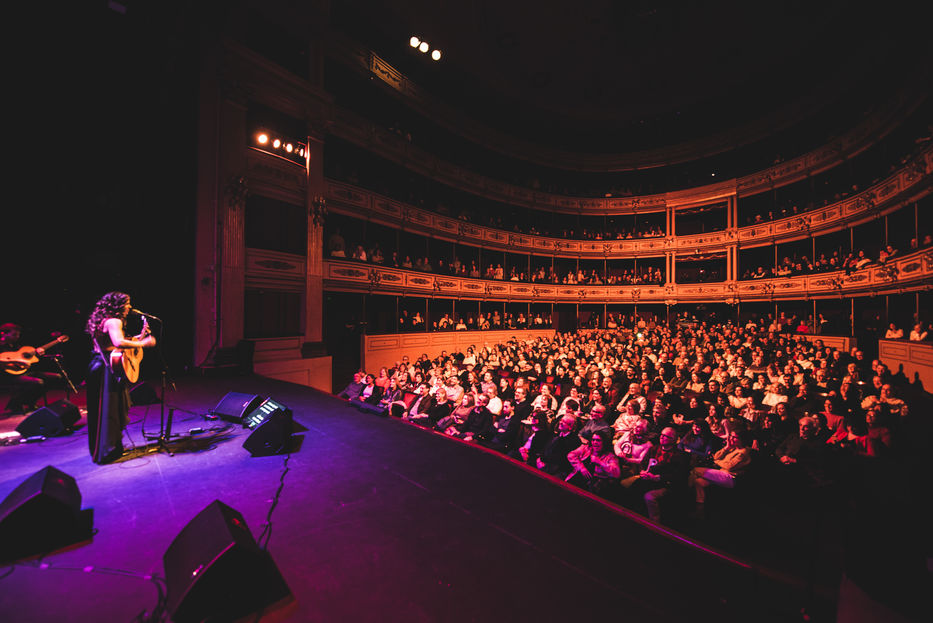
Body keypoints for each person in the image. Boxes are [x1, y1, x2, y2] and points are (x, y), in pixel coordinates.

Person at [86, 292, 156, 464]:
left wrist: (139, 336)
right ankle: (108, 451)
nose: (129, 307)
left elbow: (116, 346)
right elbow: (118, 343)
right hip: (106, 369)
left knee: (104, 411)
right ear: (117, 305)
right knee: (109, 411)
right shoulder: (114, 321)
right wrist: (143, 343)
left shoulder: (104, 320)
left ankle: (107, 449)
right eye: (126, 304)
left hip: (98, 366)